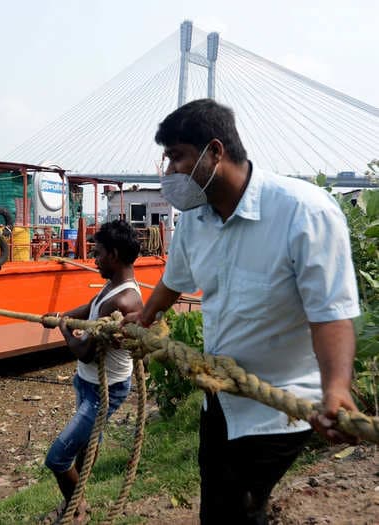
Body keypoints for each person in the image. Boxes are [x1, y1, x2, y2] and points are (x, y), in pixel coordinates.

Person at [125, 98, 361, 524]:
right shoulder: (195, 222)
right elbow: (173, 281)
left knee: (237, 511)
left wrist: (336, 389)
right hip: (219, 398)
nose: (170, 172)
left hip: (280, 406)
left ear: (215, 152)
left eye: (177, 157)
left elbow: (331, 313)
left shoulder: (303, 212)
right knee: (217, 510)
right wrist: (145, 319)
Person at [42, 220, 143, 524]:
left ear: (113, 254)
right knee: (87, 445)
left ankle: (77, 510)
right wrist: (63, 316)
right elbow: (91, 307)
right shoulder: (113, 287)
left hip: (104, 390)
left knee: (57, 458)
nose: (94, 259)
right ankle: (77, 503)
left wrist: (62, 329)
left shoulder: (125, 301)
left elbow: (85, 352)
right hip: (87, 383)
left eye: (98, 253)